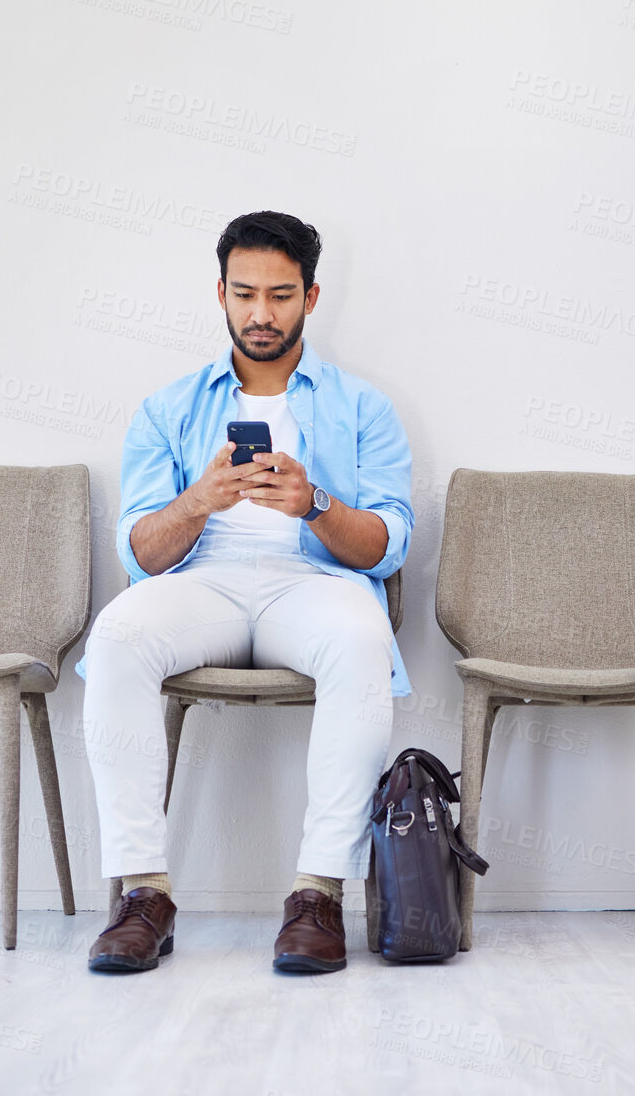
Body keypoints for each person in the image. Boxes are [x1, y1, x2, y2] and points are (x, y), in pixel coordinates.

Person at [77, 211, 412, 974]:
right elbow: (139, 551)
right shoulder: (169, 407)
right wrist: (198, 502)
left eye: (282, 295)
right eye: (246, 293)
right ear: (220, 293)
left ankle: (317, 893)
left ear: (312, 298)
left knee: (363, 639)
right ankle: (143, 892)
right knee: (118, 634)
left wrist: (315, 503)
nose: (262, 313)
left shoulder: (365, 408)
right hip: (204, 582)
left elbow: (390, 547)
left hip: (315, 581)